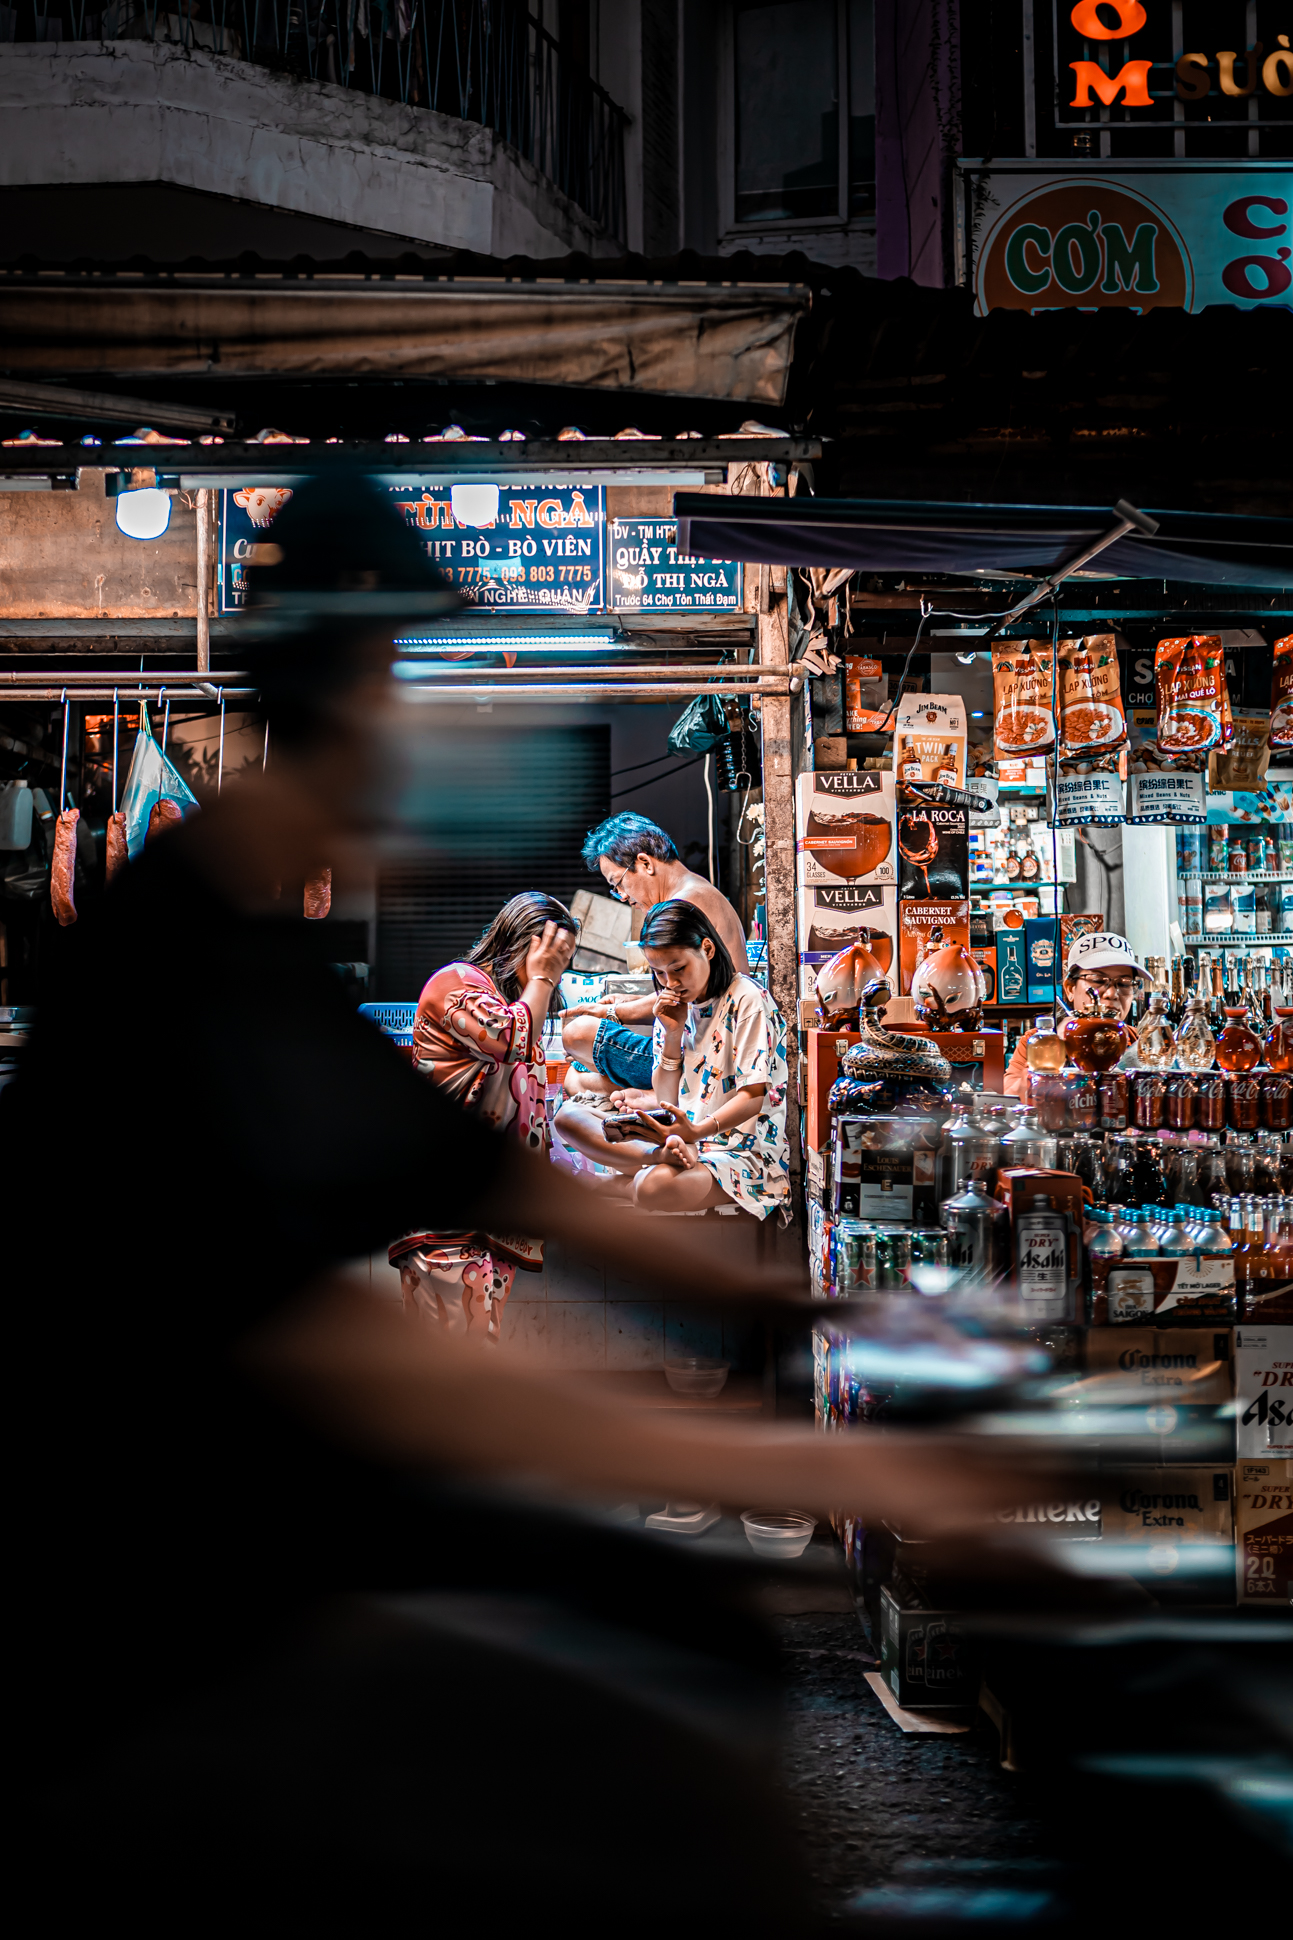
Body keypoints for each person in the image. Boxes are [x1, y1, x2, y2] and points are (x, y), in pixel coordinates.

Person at [12, 476, 1036, 1935]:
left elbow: (472, 1172)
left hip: (266, 1535)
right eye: (402, 693)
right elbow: (350, 1358)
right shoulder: (181, 947)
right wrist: (834, 1474)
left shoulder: (239, 925)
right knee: (646, 1726)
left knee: (658, 1629)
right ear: (349, 695)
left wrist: (815, 1312)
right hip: (163, 1614)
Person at [389, 892, 577, 1340]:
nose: (558, 969)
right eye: (554, 954)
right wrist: (544, 978)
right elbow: (507, 1039)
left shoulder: (507, 1003)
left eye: (563, 960)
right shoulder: (456, 984)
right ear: (526, 944)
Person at [555, 901, 790, 1219]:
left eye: (678, 968)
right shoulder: (674, 1005)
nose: (670, 983)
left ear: (707, 948)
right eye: (659, 972)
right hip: (680, 1139)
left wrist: (695, 1132)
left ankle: (619, 1182)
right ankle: (662, 1157)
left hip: (737, 1150)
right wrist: (674, 1032)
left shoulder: (747, 999)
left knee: (653, 1187)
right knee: (567, 1117)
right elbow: (667, 1098)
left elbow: (751, 1098)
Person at [560, 811, 750, 1097]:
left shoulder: (683, 904)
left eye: (618, 883)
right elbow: (690, 992)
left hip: (709, 1047)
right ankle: (654, 1095)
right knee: (578, 1075)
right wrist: (632, 1002)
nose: (622, 895)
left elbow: (684, 999)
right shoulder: (696, 889)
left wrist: (615, 1012)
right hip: (703, 1038)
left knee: (578, 1038)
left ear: (645, 863)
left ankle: (658, 1096)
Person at [1004, 928, 1148, 1095]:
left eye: (1124, 983)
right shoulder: (1038, 1042)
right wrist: (1054, 1048)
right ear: (1070, 989)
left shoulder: (1138, 1043)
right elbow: (1012, 1096)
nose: (1111, 994)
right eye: (1098, 980)